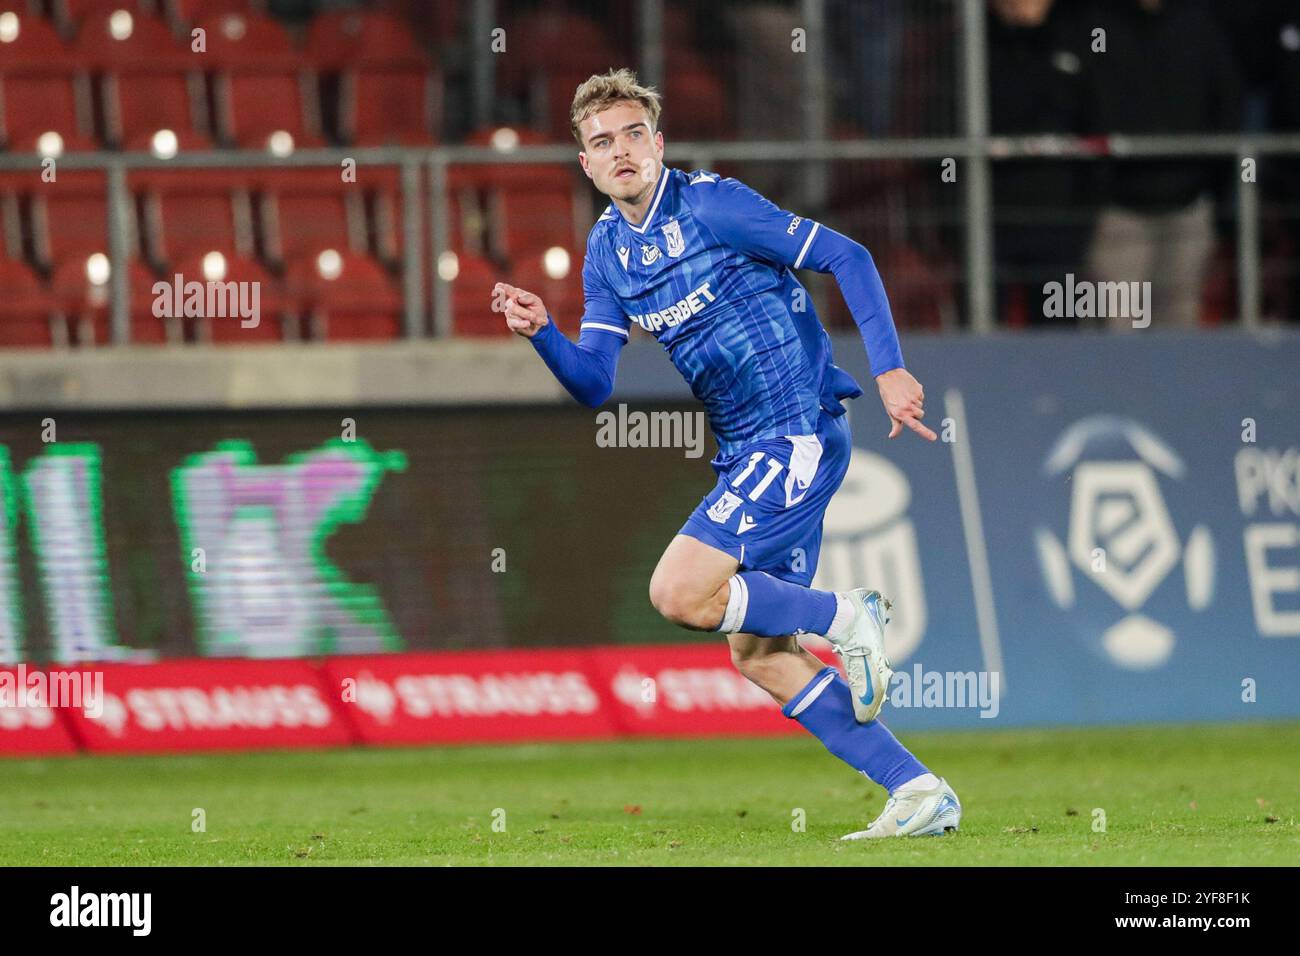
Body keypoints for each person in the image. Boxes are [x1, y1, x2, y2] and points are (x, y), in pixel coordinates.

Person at [491, 69, 960, 839]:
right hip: (747, 445)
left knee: (677, 592)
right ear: (586, 164)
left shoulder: (713, 203)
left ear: (658, 142)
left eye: (633, 134)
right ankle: (918, 790)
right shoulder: (607, 253)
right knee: (761, 652)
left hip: (795, 428)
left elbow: (849, 256)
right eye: (602, 143)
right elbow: (593, 384)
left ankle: (848, 614)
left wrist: (890, 367)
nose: (621, 152)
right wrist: (544, 332)